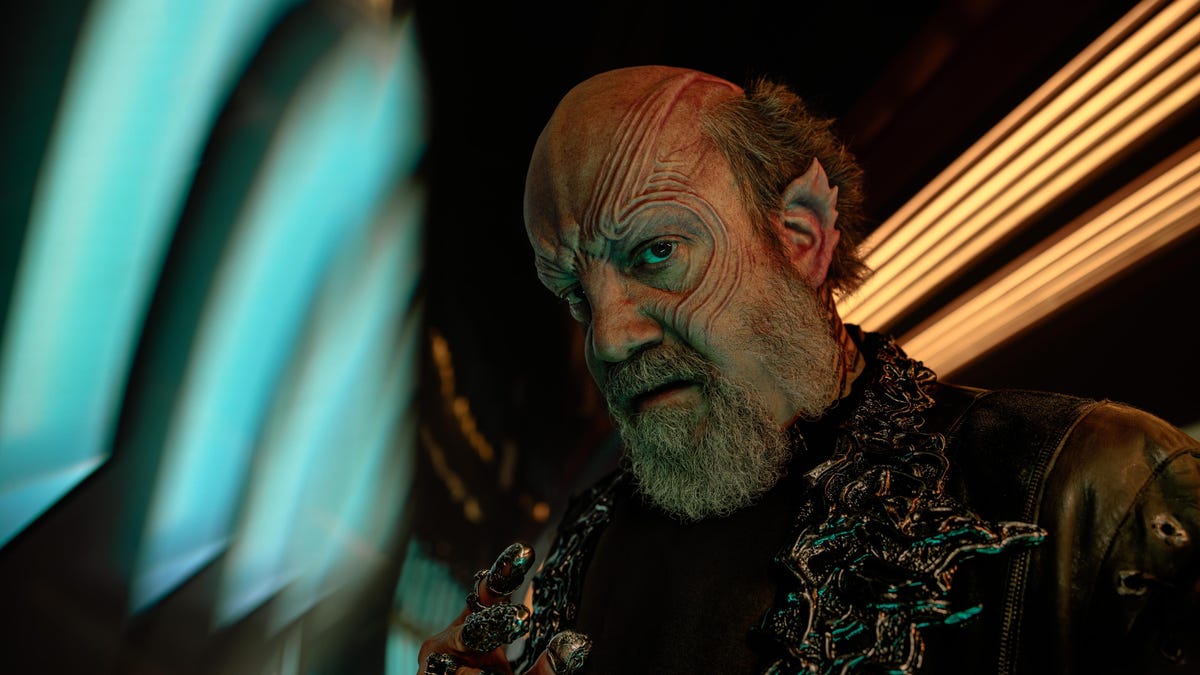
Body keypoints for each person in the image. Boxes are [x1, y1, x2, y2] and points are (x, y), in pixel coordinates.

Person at [418, 65, 1200, 675]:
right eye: (575, 296)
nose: (609, 339)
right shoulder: (588, 542)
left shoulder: (1096, 488)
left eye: (657, 252)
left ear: (800, 236)